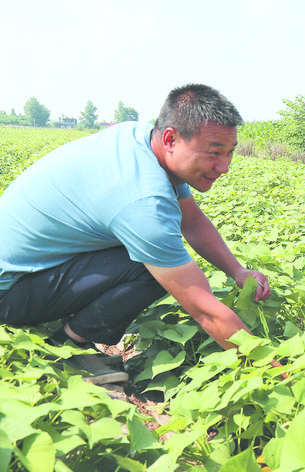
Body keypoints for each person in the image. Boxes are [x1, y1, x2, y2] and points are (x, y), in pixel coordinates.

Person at [0, 84, 271, 383]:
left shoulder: (140, 140)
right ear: (170, 139)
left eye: (230, 152)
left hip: (26, 268)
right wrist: (274, 370)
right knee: (149, 268)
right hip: (8, 291)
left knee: (149, 255)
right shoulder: (143, 201)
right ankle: (67, 349)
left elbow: (191, 221)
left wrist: (237, 270)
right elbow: (204, 311)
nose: (224, 167)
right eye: (214, 153)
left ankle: (70, 328)